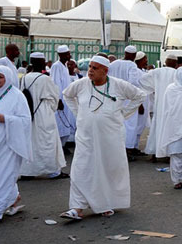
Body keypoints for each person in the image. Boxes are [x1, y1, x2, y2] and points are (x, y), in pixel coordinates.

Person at [59, 55, 144, 220]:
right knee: (80, 168)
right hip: (86, 135)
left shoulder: (119, 85)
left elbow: (139, 96)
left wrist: (123, 114)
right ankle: (77, 207)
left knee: (108, 168)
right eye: (90, 67)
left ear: (105, 71)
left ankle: (106, 203)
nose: (90, 70)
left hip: (110, 136)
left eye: (95, 68)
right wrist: (79, 113)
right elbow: (67, 95)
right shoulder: (81, 84)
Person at [0, 66, 32, 229]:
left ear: (8, 78)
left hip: (8, 144)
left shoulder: (17, 97)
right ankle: (13, 198)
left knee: (0, 176)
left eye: (0, 77)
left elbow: (25, 120)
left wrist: (5, 119)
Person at [19, 53, 68, 179]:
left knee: (31, 142)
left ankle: (28, 172)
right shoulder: (45, 78)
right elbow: (54, 97)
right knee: (48, 142)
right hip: (43, 113)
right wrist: (54, 106)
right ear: (41, 63)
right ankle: (53, 171)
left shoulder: (25, 78)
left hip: (28, 113)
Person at [139, 54, 178, 160]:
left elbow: (142, 80)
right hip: (172, 106)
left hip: (159, 105)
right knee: (169, 129)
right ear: (175, 64)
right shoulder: (177, 73)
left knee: (156, 128)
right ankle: (168, 154)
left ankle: (154, 153)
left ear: (165, 62)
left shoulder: (157, 72)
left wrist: (153, 89)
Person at [108, 46, 143, 161]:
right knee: (129, 125)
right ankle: (127, 150)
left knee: (115, 124)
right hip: (128, 99)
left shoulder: (113, 64)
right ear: (134, 55)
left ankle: (115, 150)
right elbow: (133, 82)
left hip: (114, 98)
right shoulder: (132, 65)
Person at [50, 45, 76, 152]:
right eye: (67, 54)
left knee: (66, 123)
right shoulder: (56, 66)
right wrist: (58, 100)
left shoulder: (64, 66)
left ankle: (62, 145)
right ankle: (57, 147)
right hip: (60, 100)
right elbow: (55, 84)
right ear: (61, 55)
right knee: (59, 123)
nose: (69, 55)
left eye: (69, 53)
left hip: (66, 99)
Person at [133, 52, 150, 154]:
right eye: (145, 58)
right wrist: (140, 104)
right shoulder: (136, 72)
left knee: (141, 125)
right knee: (136, 126)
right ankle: (133, 147)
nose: (146, 60)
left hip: (144, 102)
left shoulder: (143, 71)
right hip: (140, 103)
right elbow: (136, 89)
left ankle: (136, 146)